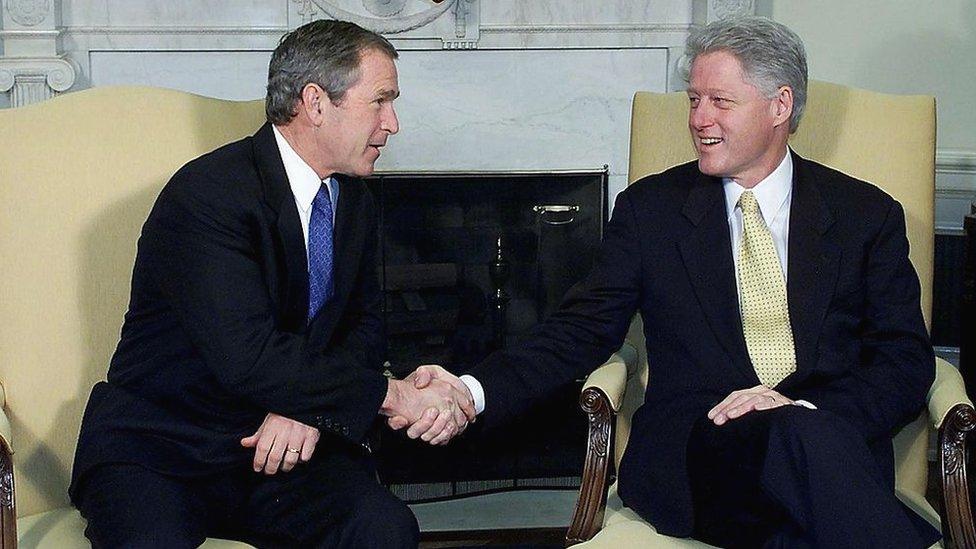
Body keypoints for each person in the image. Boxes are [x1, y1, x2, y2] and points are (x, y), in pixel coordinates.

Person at [406, 16, 941, 547]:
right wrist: (471, 391)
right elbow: (580, 330)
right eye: (693, 99)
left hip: (821, 451)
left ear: (780, 106)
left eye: (720, 102)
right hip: (699, 460)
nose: (699, 119)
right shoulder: (650, 211)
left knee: (798, 472)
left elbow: (905, 359)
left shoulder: (864, 215)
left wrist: (801, 412)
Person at [69, 19, 474, 548]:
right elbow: (248, 355)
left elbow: (363, 329)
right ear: (315, 102)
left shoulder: (354, 200)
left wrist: (306, 409)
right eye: (380, 101)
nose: (392, 123)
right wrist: (392, 396)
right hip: (164, 450)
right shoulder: (208, 196)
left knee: (385, 529)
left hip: (285, 450)